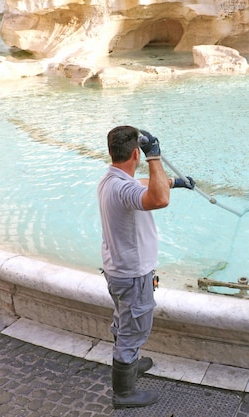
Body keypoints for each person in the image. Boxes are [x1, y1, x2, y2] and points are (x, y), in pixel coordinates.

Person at [97, 125, 194, 409]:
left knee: (124, 321)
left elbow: (144, 185)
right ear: (136, 154)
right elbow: (158, 199)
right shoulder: (123, 188)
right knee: (133, 329)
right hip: (133, 274)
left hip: (118, 270)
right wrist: (156, 158)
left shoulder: (110, 180)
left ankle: (131, 364)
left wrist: (174, 182)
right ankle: (123, 393)